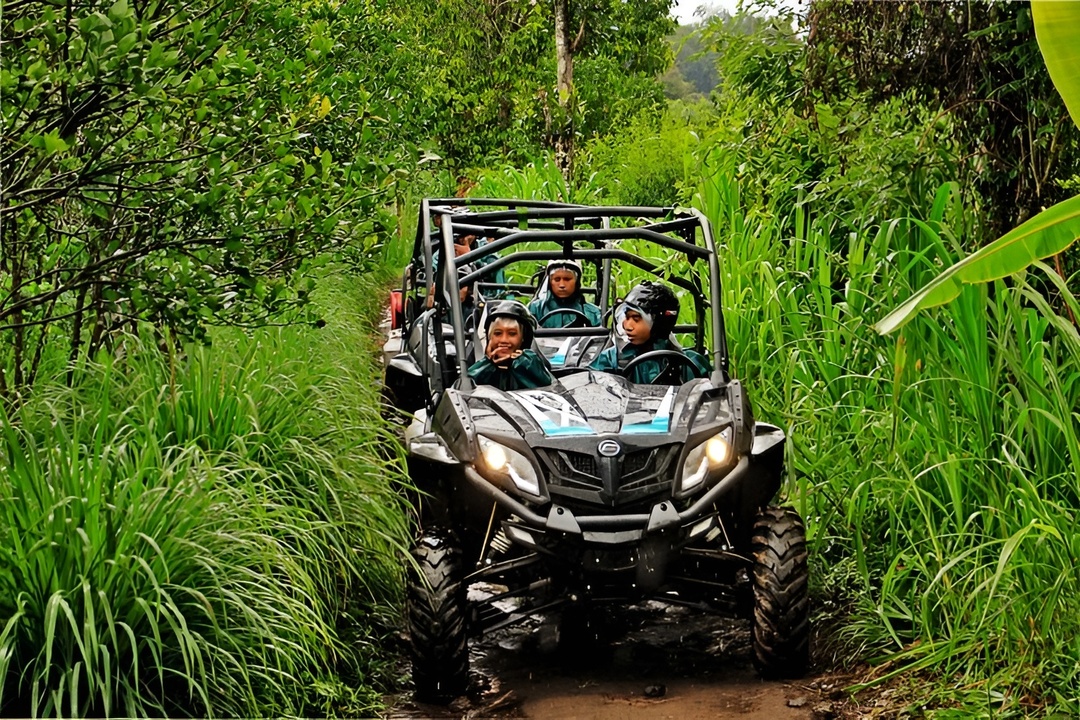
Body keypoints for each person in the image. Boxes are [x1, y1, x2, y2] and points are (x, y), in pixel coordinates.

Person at [589, 280, 710, 384]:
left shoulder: (688, 363)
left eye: (636, 319)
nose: (627, 326)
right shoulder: (611, 360)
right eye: (626, 317)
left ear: (659, 323)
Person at [467, 300, 554, 391]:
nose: (504, 340)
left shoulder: (532, 365)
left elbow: (546, 390)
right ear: (489, 337)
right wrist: (487, 365)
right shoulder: (475, 363)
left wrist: (523, 365)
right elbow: (462, 391)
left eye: (512, 334)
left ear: (523, 337)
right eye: (498, 333)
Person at [527, 259, 603, 328]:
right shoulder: (535, 309)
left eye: (567, 279)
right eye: (557, 280)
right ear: (550, 282)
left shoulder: (592, 313)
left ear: (576, 282)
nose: (562, 285)